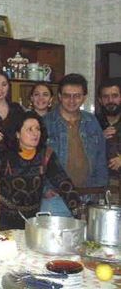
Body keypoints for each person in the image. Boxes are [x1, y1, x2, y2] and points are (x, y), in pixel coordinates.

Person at [0, 111, 81, 230]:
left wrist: (78, 210)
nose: (35, 133)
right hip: (4, 221)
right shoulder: (4, 156)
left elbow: (63, 182)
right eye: (29, 129)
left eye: (37, 129)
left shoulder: (46, 155)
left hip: (34, 220)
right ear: (17, 134)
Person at [43, 74, 108, 215]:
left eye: (77, 96)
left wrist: (100, 189)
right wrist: (45, 189)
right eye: (67, 96)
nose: (72, 100)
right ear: (59, 96)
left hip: (89, 196)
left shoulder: (92, 122)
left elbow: (101, 158)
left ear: (84, 97)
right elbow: (36, 161)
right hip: (56, 197)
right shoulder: (46, 123)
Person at [96, 78, 121, 190]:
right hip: (97, 186)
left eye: (115, 96)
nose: (110, 100)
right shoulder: (91, 122)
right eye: (106, 97)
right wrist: (99, 138)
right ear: (100, 100)